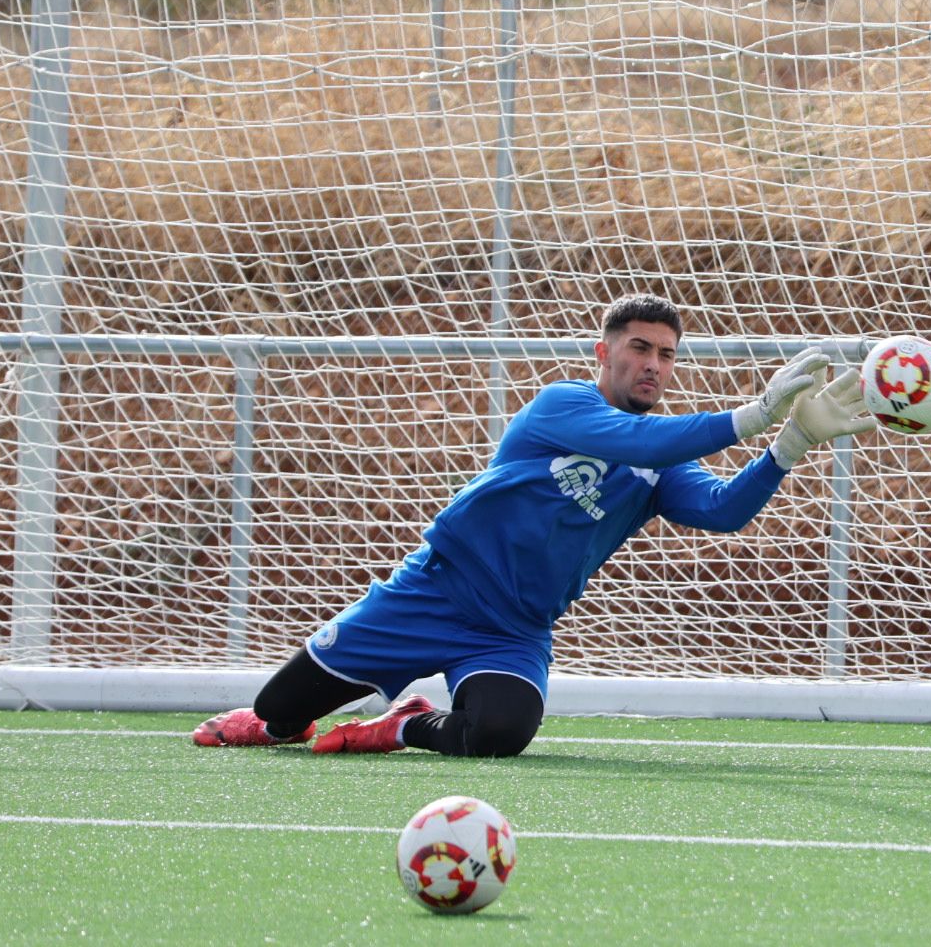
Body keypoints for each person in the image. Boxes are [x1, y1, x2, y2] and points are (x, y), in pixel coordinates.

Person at [192, 293, 875, 757]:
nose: (653, 365)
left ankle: (401, 729)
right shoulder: (562, 406)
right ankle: (273, 718)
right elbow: (639, 443)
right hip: (434, 593)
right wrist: (754, 415)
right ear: (603, 355)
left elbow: (722, 510)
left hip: (512, 630)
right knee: (282, 712)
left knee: (500, 732)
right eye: (639, 348)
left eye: (667, 355)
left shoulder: (663, 460)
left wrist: (788, 448)